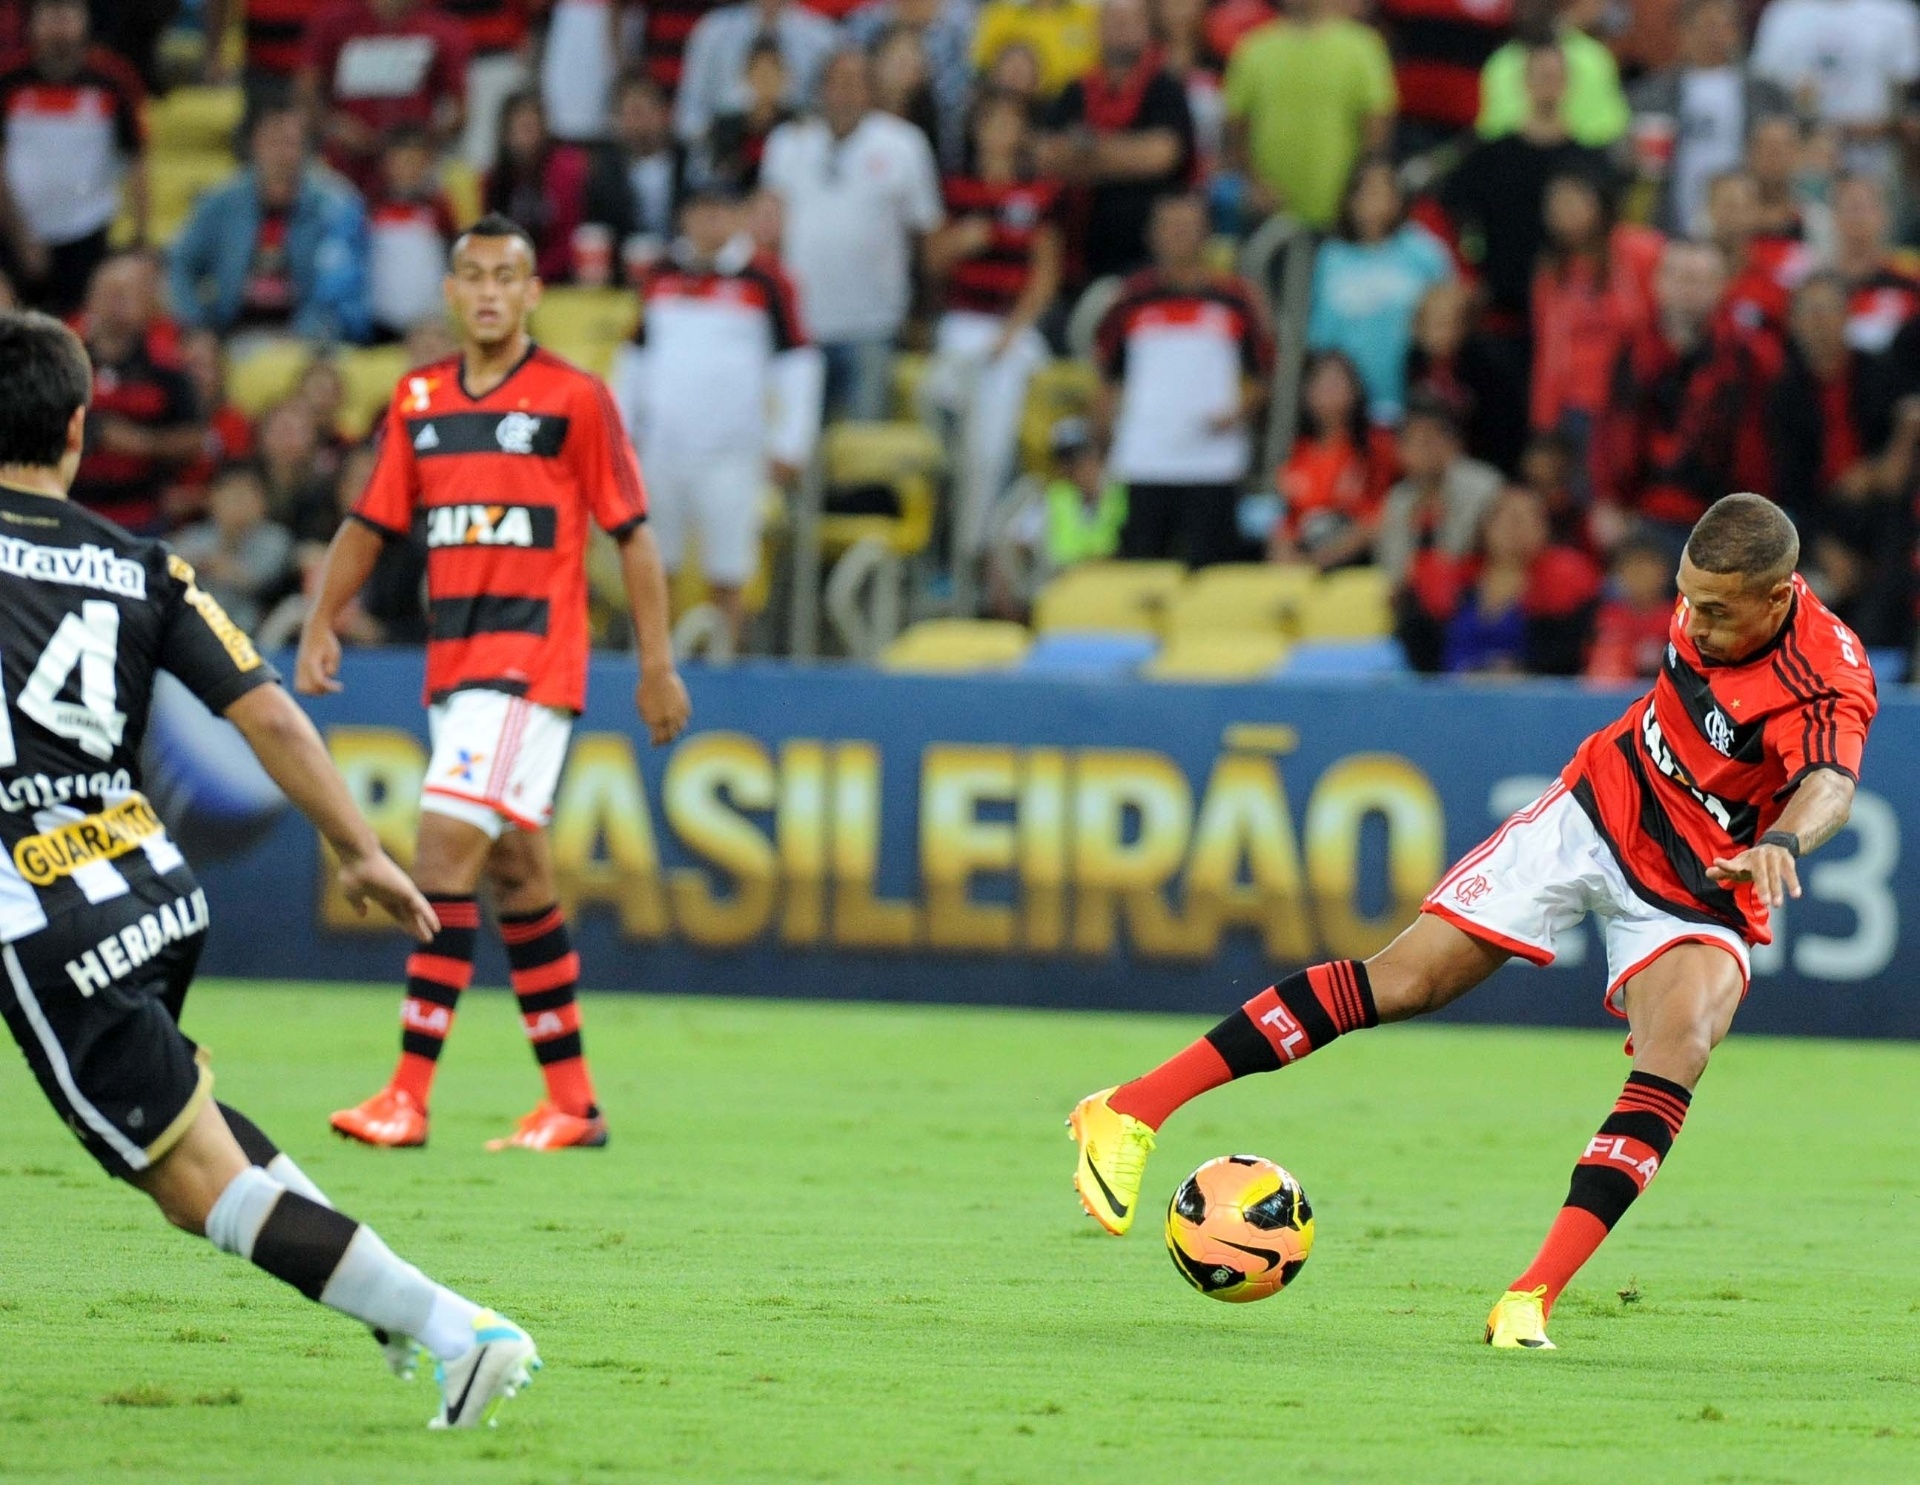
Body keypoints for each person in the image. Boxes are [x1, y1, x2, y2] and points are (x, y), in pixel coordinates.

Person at [1070, 491, 1878, 1351]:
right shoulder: (1708, 596)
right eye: (1689, 598)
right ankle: (1129, 1108)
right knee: (1406, 979)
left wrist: (1783, 837)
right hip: (1601, 805)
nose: (1693, 621)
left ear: (1780, 595)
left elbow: (1829, 782)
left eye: (1717, 611)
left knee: (1681, 1045)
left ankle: (1529, 1296)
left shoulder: (1827, 677)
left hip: (1707, 875)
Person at [0, 307, 540, 1428]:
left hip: (40, 907)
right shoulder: (140, 565)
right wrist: (360, 848)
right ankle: (395, 1310)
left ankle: (458, 1328)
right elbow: (273, 717)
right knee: (188, 1129)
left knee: (195, 1184)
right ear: (80, 429)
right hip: (146, 881)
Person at [296, 213, 691, 1152]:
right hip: (455, 668)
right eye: (470, 274)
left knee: (439, 859)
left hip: (528, 668)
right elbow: (370, 522)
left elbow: (630, 533)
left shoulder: (573, 398)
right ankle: (573, 1102)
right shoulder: (420, 398)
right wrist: (318, 620)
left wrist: (658, 663)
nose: (486, 291)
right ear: (449, 290)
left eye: (505, 276)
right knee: (515, 869)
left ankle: (406, 1094)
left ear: (531, 292)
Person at [611, 189, 823, 645]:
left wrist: (791, 441)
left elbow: (798, 363)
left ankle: (728, 660)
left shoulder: (767, 279)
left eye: (720, 212)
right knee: (654, 564)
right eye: (700, 213)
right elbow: (635, 357)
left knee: (730, 569)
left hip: (732, 450)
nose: (710, 223)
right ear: (685, 219)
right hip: (663, 446)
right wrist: (620, 432)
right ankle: (653, 662)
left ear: (737, 217)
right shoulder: (660, 274)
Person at [761, 49, 943, 421]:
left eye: (855, 83)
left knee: (864, 454)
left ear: (871, 90)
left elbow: (925, 238)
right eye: (835, 82)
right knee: (800, 443)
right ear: (820, 89)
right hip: (802, 325)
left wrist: (923, 314)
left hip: (873, 324)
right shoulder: (788, 143)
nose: (844, 92)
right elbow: (768, 231)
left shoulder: (904, 145)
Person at [1093, 192, 1272, 566]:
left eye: (1188, 228)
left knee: (1211, 571)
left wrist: (1237, 413)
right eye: (1170, 227)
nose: (1179, 236)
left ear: (1207, 233)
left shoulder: (1235, 298)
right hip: (1145, 457)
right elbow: (1108, 374)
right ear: (1153, 235)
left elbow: (1263, 374)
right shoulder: (1132, 299)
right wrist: (1106, 438)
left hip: (1213, 460)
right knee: (1141, 569)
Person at [924, 89, 1063, 562]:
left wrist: (1013, 329)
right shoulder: (957, 189)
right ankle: (956, 534)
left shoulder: (1036, 193)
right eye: (991, 122)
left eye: (1010, 124)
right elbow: (931, 260)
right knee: (939, 395)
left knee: (991, 440)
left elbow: (1046, 271)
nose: (1000, 133)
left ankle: (977, 547)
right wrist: (963, 240)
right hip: (962, 321)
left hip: (1012, 328)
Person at [1593, 238, 1779, 536]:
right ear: (1657, 282)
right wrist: (1608, 500)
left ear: (1723, 286)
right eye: (1680, 276)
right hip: (1639, 513)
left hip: (1723, 518)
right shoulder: (1630, 352)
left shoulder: (1750, 358)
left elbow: (1759, 450)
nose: (1689, 289)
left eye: (1701, 279)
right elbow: (1609, 435)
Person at [168, 101, 373, 345]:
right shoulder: (222, 201)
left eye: (290, 143)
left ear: (306, 150)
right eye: (272, 142)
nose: (281, 155)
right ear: (255, 144)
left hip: (308, 338)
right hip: (232, 334)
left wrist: (302, 337)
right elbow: (179, 262)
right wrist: (198, 325)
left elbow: (342, 288)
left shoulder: (335, 205)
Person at [0, 0, 148, 316]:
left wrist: (140, 236)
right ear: (33, 23)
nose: (59, 26)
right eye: (50, 15)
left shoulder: (113, 79)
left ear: (85, 19)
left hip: (87, 231)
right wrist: (21, 236)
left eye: (67, 14)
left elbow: (136, 158)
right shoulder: (9, 80)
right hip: (16, 234)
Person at [1036, 0, 1195, 282]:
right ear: (1098, 29)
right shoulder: (1076, 89)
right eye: (1113, 22)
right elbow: (1045, 155)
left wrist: (1085, 153)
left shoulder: (1165, 89)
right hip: (1077, 254)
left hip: (1149, 260)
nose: (1121, 30)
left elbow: (1160, 156)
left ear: (1147, 29)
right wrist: (1127, 154)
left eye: (1129, 22)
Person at [1220, 0, 1394, 231]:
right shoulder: (1254, 47)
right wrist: (1254, 185)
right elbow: (1235, 131)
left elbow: (1377, 132)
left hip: (1340, 219)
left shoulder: (1362, 47)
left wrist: (1357, 195)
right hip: (1268, 218)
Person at [1306, 157, 1452, 426]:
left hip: (1414, 406)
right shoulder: (1331, 257)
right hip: (1350, 413)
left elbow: (1450, 324)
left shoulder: (1425, 253)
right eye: (1367, 190)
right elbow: (1320, 339)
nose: (1376, 200)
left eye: (1385, 190)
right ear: (1350, 198)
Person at [1626, 0, 1790, 238]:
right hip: (1671, 216)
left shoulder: (1765, 92)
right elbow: (1626, 151)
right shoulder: (1654, 93)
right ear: (1685, 30)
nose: (1713, 35)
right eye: (1706, 25)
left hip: (1743, 220)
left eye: (1722, 25)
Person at [1527, 173, 1660, 463]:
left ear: (1599, 203)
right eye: (1556, 205)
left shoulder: (1640, 251)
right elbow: (1548, 353)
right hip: (1576, 411)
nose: (1565, 211)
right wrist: (1544, 426)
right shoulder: (1551, 272)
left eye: (1575, 201)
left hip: (1635, 403)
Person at [71, 254, 204, 536]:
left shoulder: (168, 365)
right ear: (90, 297)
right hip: (68, 508)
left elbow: (195, 438)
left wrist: (143, 443)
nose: (115, 303)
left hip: (140, 516)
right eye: (108, 292)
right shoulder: (62, 357)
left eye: (125, 294)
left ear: (147, 303)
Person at [1378, 392, 1503, 669]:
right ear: (1401, 451)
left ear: (1453, 444)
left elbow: (1468, 552)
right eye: (1415, 441)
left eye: (1433, 439)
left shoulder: (1484, 486)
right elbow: (1397, 572)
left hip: (1476, 596)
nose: (1426, 449)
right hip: (1420, 609)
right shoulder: (1397, 500)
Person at [299, 0, 472, 195]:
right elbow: (307, 87)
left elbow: (459, 107)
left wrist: (422, 142)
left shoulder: (442, 28)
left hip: (414, 170)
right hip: (344, 163)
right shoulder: (334, 20)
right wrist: (333, 125)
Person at [1750, 0, 1920, 183]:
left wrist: (1884, 126)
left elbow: (1909, 101)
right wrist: (1807, 123)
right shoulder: (1784, 14)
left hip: (1876, 160)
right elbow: (1764, 97)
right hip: (1804, 158)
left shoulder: (1895, 13)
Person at [1439, 485, 1601, 673]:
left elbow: (1568, 655)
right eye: (1509, 519)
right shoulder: (1457, 581)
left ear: (1544, 529)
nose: (1515, 529)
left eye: (1527, 519)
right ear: (1485, 526)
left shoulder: (1567, 584)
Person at [1271, 349, 1397, 569]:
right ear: (1307, 393)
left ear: (1355, 389)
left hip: (1361, 562)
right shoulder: (1297, 455)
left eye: (1337, 383)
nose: (1329, 391)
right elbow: (1287, 524)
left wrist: (1323, 559)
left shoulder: (1377, 446)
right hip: (1306, 557)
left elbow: (1386, 516)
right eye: (1321, 383)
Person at [674, 0, 841, 146]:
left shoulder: (823, 38)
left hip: (797, 152)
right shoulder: (712, 31)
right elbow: (688, 116)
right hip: (724, 151)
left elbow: (829, 115)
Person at [1475, 0, 1629, 147]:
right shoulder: (1502, 63)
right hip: (1511, 164)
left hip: (1582, 166)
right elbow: (1491, 133)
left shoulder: (1594, 59)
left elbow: (1610, 131)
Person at [170, 463, 296, 632]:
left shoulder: (275, 538)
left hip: (252, 631)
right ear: (212, 499)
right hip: (196, 628)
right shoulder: (194, 536)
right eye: (230, 496)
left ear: (262, 501)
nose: (237, 504)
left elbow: (259, 580)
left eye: (244, 496)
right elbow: (169, 565)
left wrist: (215, 562)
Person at [484, 91, 590, 282]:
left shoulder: (566, 170)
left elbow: (569, 236)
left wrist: (535, 273)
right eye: (520, 128)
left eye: (532, 127)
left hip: (560, 276)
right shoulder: (494, 178)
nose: (527, 137)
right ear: (505, 134)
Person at [367, 124, 461, 340]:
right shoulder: (371, 208)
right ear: (386, 165)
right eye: (400, 161)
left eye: (414, 162)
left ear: (427, 163)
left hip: (430, 319)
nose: (408, 169)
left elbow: (454, 252)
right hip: (382, 320)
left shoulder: (439, 207)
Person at [586, 71, 688, 246]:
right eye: (633, 112)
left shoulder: (688, 162)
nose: (641, 121)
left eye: (647, 110)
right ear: (618, 120)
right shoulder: (605, 169)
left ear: (664, 113)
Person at [1829, 174, 1920, 355]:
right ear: (1834, 217)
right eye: (1849, 208)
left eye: (1863, 208)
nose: (1857, 218)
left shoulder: (1910, 275)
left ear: (1883, 216)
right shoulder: (1822, 286)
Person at [697, 38, 798, 197]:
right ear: (747, 75)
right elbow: (717, 176)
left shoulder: (797, 125)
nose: (766, 79)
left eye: (773, 71)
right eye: (760, 71)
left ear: (785, 76)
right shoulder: (725, 126)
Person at [1585, 533, 1678, 681]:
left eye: (1647, 568)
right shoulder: (1602, 616)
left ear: (1664, 572)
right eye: (1632, 568)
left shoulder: (1678, 619)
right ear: (1618, 573)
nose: (1640, 576)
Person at [970, 0, 1099, 100]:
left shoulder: (1090, 17)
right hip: (1009, 110)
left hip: (1072, 116)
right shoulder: (1000, 13)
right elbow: (980, 72)